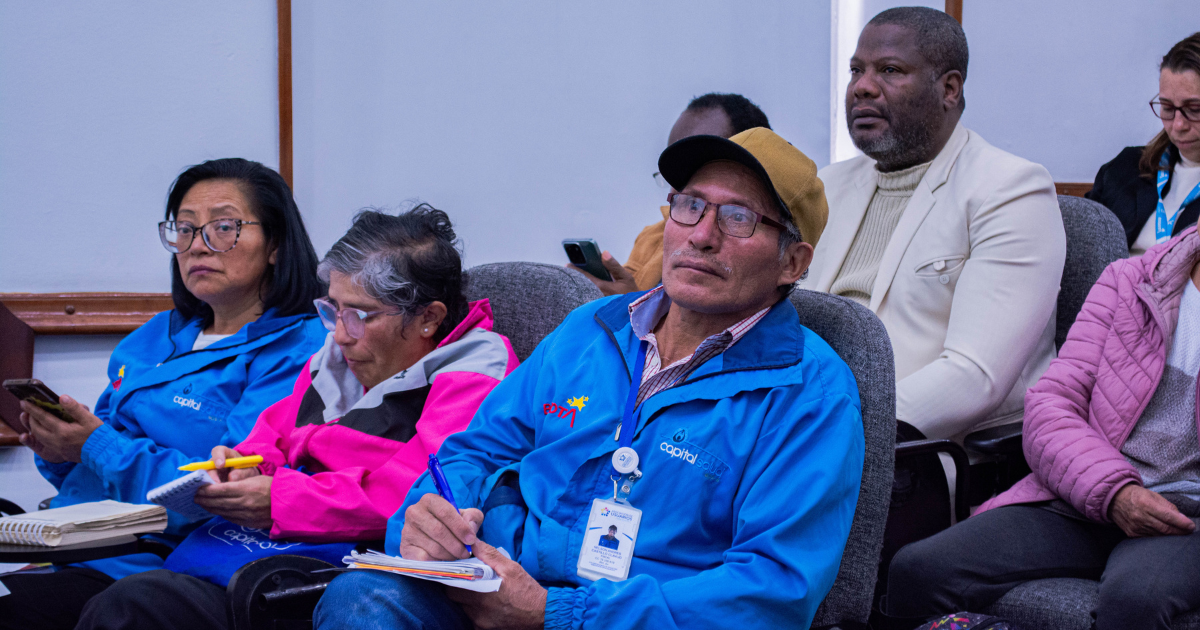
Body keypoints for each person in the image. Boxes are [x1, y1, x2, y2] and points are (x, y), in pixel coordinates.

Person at [314, 127, 864, 630]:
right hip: (498, 588)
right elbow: (470, 454)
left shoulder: (810, 394)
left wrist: (558, 614)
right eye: (689, 206)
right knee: (361, 599)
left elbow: (770, 593)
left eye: (739, 218)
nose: (700, 235)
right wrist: (430, 518)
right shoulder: (592, 330)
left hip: (631, 619)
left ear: (793, 262)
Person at [74, 206, 519, 630]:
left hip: (343, 569)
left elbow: (414, 496)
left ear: (428, 318)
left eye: (361, 315)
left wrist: (279, 499)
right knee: (121, 600)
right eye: (333, 310)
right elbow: (269, 437)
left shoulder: (475, 374)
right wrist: (239, 466)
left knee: (134, 606)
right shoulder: (335, 357)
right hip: (258, 550)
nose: (341, 333)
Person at [0, 158, 328, 630]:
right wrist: (55, 446)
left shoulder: (300, 349)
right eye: (185, 229)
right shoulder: (154, 336)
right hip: (77, 547)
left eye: (223, 227)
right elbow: (92, 468)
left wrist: (92, 445)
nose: (197, 246)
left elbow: (224, 487)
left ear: (275, 244)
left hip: (163, 564)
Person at [886, 223, 1200, 630]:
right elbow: (1052, 405)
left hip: (1187, 517)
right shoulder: (1131, 281)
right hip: (1090, 493)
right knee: (916, 569)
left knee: (1134, 601)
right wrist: (1116, 492)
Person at [807, 7, 1066, 441]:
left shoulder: (1010, 190)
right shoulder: (828, 186)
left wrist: (834, 435)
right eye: (856, 70)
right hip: (796, 425)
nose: (862, 87)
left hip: (914, 449)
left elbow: (973, 376)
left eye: (890, 70)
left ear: (949, 88)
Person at [576, 92, 771, 295]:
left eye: (699, 165)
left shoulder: (760, 241)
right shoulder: (652, 236)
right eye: (675, 167)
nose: (680, 184)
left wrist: (627, 308)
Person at [1087, 33, 1200, 255]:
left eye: (1194, 109)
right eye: (1167, 108)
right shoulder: (1124, 169)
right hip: (1110, 288)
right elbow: (1082, 249)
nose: (1178, 125)